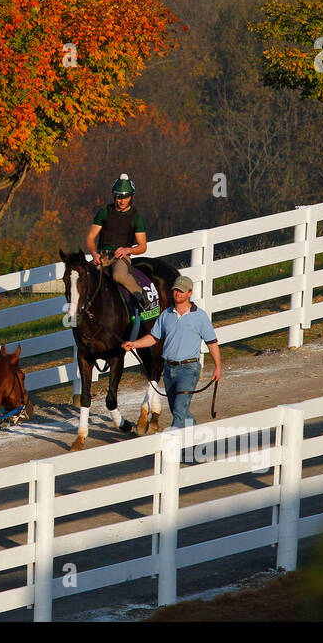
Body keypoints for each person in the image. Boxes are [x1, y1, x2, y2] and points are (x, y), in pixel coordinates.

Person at [122, 275, 222, 443]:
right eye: (175, 290)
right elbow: (153, 337)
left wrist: (218, 367)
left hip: (189, 369)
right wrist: (134, 344)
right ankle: (199, 442)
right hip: (169, 370)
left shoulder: (200, 316)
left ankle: (171, 449)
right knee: (180, 410)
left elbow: (212, 342)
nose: (177, 293)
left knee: (178, 412)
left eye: (182, 291)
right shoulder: (166, 314)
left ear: (190, 293)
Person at [85, 174, 156, 314]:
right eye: (118, 197)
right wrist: (94, 254)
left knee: (119, 276)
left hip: (121, 258)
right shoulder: (104, 212)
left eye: (125, 197)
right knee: (85, 279)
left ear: (131, 197)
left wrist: (127, 250)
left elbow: (143, 246)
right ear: (114, 196)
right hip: (102, 256)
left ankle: (141, 297)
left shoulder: (136, 218)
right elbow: (90, 237)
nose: (122, 201)